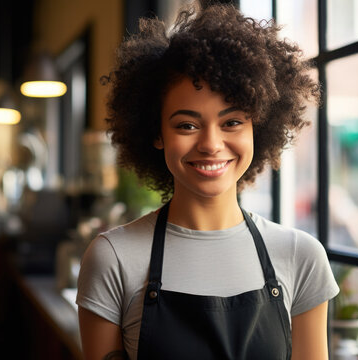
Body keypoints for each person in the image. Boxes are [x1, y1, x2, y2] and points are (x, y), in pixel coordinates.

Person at [77, 1, 339, 359]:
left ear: (257, 128)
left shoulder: (302, 256)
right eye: (187, 125)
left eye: (232, 122)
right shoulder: (113, 259)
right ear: (157, 133)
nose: (211, 145)